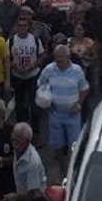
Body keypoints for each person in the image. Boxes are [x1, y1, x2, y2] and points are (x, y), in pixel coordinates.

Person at [37, 45, 89, 178]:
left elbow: (84, 89)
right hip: (55, 114)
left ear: (68, 58)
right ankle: (63, 168)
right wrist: (45, 101)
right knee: (57, 144)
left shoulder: (77, 71)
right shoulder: (49, 70)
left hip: (73, 115)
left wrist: (78, 104)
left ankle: (73, 170)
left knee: (74, 144)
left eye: (61, 60)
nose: (58, 62)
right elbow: (40, 84)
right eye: (56, 59)